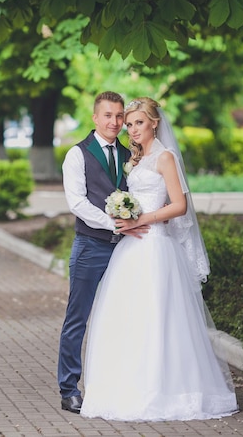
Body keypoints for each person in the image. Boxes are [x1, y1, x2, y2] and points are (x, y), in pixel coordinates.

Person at [80, 97, 238, 422]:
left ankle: (164, 389)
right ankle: (126, 387)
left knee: (158, 315)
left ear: (154, 122)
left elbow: (179, 205)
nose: (133, 129)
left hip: (156, 247)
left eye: (139, 122)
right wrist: (122, 212)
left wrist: (142, 219)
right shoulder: (135, 161)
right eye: (129, 125)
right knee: (127, 315)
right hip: (131, 248)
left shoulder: (165, 157)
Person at [58, 91, 150, 414]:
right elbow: (77, 203)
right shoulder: (77, 155)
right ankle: (69, 388)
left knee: (119, 318)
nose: (114, 122)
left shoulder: (130, 155)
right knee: (77, 318)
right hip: (90, 247)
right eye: (107, 115)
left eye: (119, 116)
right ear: (95, 118)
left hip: (125, 250)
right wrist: (114, 223)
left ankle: (112, 384)